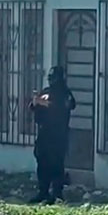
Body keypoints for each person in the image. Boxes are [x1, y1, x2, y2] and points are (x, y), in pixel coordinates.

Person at [29, 66, 76, 204]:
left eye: (53, 78)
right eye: (50, 78)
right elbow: (33, 106)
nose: (51, 81)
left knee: (57, 164)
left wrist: (48, 105)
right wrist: (36, 102)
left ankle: (57, 194)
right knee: (42, 162)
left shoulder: (66, 94)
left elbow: (68, 106)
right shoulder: (46, 91)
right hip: (44, 133)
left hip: (58, 135)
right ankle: (43, 192)